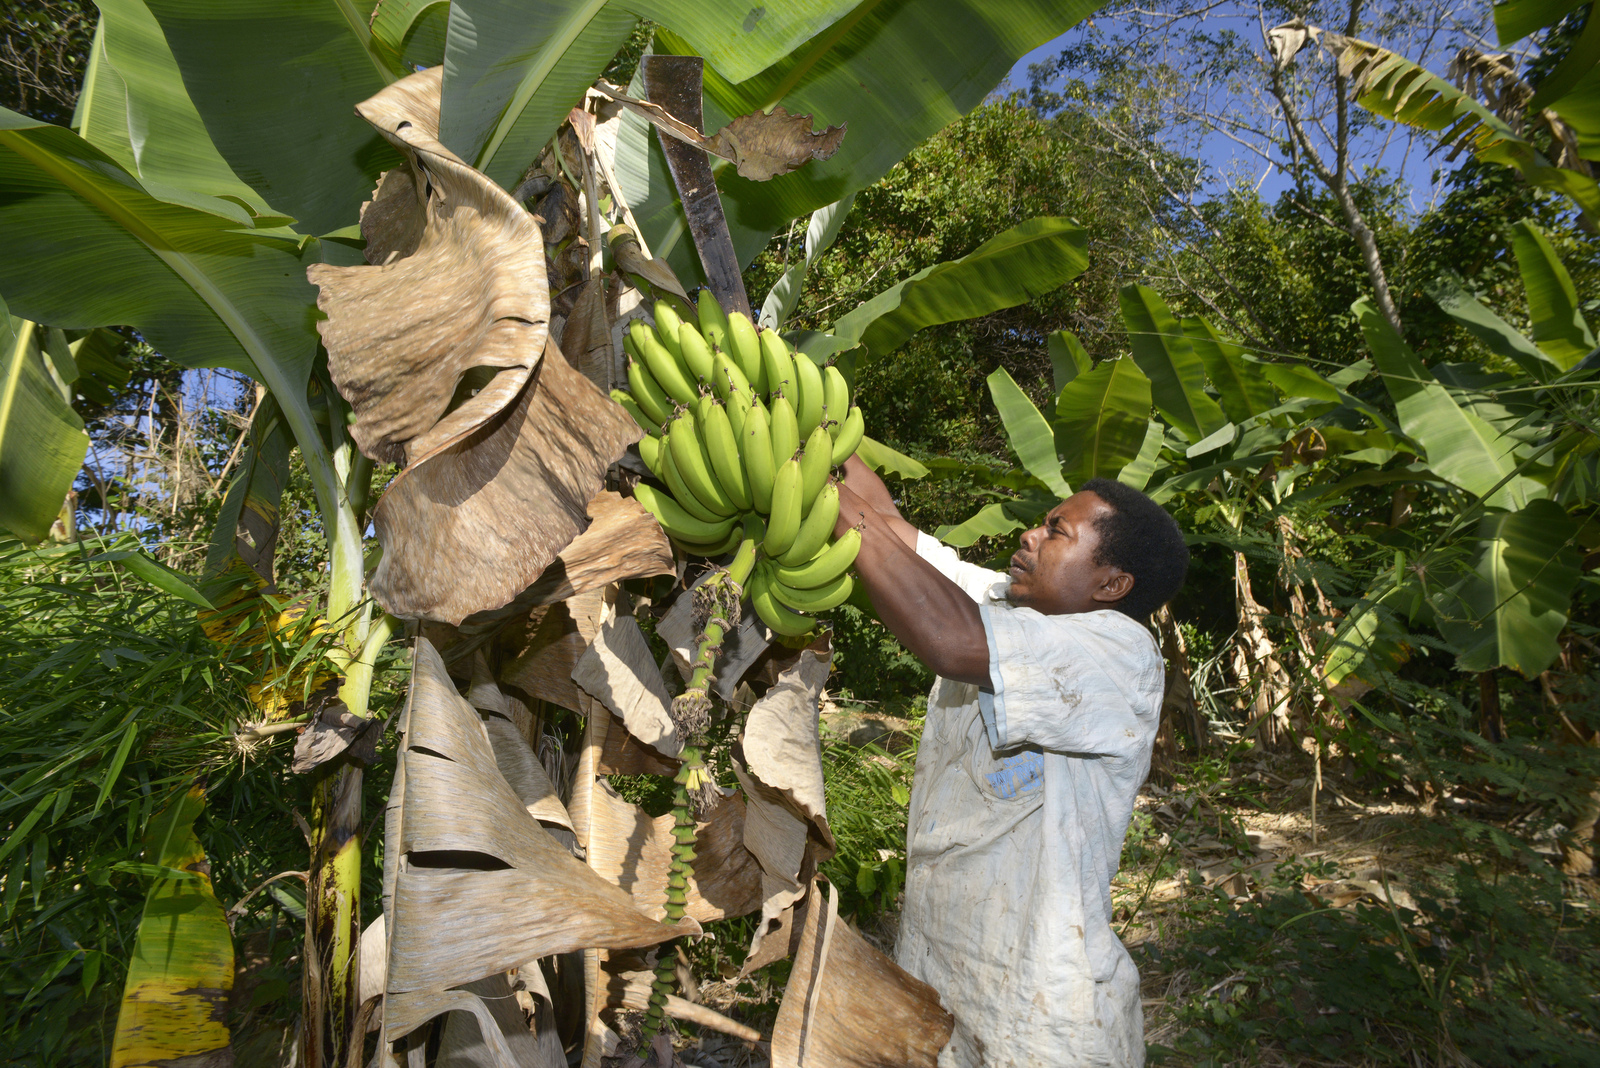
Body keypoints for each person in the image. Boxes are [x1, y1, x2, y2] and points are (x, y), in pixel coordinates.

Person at [831, 454, 1189, 1068]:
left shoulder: (1119, 654)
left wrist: (811, 487)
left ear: (1111, 585)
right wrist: (808, 428)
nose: (1029, 534)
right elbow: (885, 522)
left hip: (1043, 1013)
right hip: (944, 987)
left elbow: (950, 639)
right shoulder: (1001, 604)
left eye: (1057, 532)